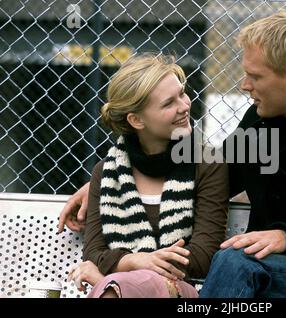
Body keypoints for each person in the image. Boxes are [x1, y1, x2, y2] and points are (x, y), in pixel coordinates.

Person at [59, 11, 286, 298]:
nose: (245, 86)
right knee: (236, 263)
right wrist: (116, 180)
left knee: (235, 259)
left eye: (254, 76)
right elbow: (209, 171)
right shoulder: (264, 124)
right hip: (255, 284)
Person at [64, 54, 229, 298]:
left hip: (179, 289)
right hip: (122, 285)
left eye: (182, 93)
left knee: (115, 288)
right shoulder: (108, 171)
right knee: (117, 288)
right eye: (168, 103)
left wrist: (131, 265)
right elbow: (94, 252)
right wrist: (135, 262)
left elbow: (203, 256)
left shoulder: (206, 164)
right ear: (136, 120)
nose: (185, 106)